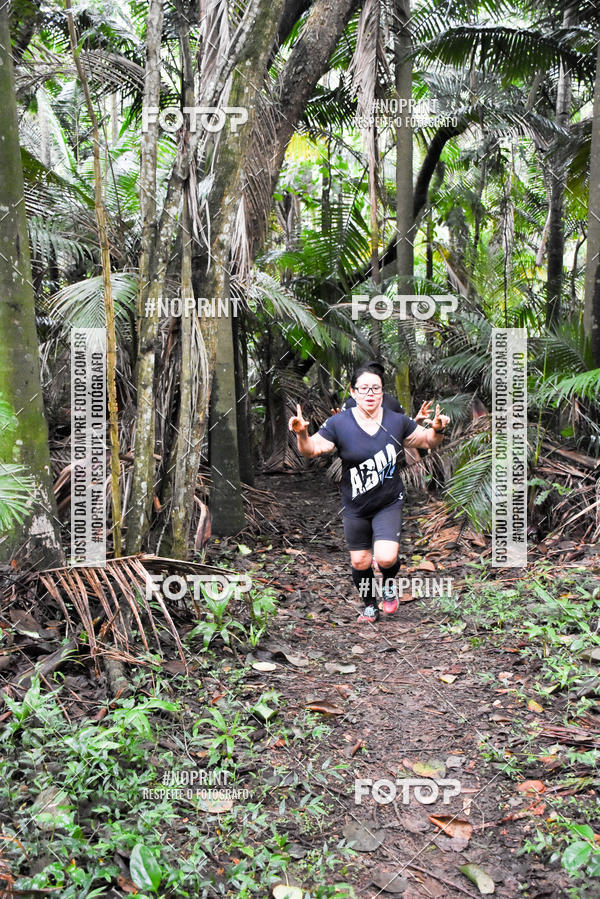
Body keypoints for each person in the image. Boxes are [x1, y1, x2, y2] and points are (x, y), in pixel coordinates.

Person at [288, 363, 450, 623]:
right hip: (355, 506)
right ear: (353, 392)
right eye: (364, 389)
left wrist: (438, 429)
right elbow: (312, 449)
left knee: (386, 558)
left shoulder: (397, 421)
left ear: (382, 392)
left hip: (388, 501)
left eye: (375, 388)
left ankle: (388, 584)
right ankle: (369, 605)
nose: (370, 393)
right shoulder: (339, 423)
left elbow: (427, 441)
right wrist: (302, 433)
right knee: (361, 562)